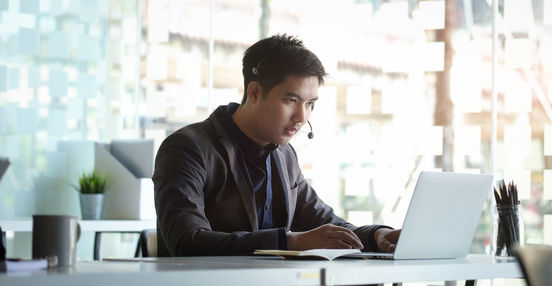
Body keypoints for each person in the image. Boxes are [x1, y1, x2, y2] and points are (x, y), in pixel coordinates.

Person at [153, 34, 400, 260]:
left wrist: (375, 236)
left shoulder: (284, 155)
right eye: (291, 100)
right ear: (254, 92)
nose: (301, 117)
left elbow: (324, 222)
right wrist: (290, 242)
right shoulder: (187, 148)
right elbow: (187, 242)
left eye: (310, 104)